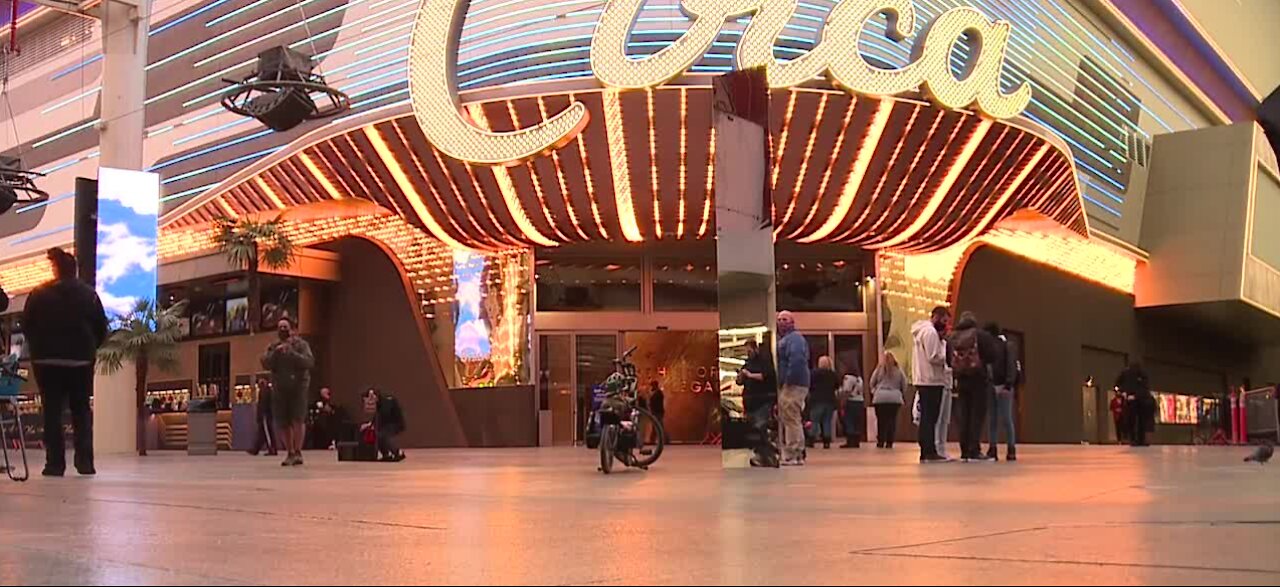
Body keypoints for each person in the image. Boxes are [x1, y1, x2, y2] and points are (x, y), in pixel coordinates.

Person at [25, 249, 108, 476]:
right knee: (81, 410)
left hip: (47, 361)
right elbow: (102, 328)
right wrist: (89, 350)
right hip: (80, 361)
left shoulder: (38, 294)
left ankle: (54, 464)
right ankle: (84, 462)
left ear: (55, 269)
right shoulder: (89, 294)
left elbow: (27, 325)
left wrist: (38, 350)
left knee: (52, 412)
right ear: (75, 271)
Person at [261, 318, 314, 466]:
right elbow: (265, 362)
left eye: (285, 327)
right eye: (280, 327)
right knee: (283, 422)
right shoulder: (273, 346)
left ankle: (298, 451)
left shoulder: (301, 345)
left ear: (292, 329)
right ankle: (289, 451)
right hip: (280, 388)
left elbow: (309, 362)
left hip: (298, 387)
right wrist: (276, 354)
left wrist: (292, 353)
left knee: (298, 419)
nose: (282, 330)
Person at [948, 311, 1000, 462]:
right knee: (977, 416)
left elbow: (947, 359)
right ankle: (974, 450)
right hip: (978, 379)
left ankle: (964, 450)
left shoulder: (953, 337)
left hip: (961, 380)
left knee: (964, 415)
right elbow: (993, 355)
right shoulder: (980, 335)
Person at [911, 306, 951, 462]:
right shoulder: (930, 333)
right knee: (930, 418)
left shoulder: (921, 332)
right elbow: (934, 356)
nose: (945, 325)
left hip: (923, 378)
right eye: (944, 321)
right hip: (932, 380)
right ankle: (929, 451)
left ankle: (926, 450)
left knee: (927, 417)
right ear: (936, 317)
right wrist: (947, 355)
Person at [775, 311, 810, 466]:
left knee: (790, 418)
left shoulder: (794, 339)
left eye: (785, 319)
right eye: (779, 319)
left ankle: (792, 453)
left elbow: (796, 360)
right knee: (792, 418)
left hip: (793, 383)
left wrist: (788, 380)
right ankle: (798, 453)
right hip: (795, 383)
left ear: (792, 322)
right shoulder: (788, 339)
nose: (781, 322)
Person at [985, 323, 1019, 462]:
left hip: (1000, 385)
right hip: (998, 385)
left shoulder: (1006, 345)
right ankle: (1001, 449)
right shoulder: (1002, 345)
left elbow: (1010, 365)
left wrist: (1009, 384)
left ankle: (1005, 448)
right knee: (1000, 418)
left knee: (1003, 419)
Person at [740, 339, 778, 467]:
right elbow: (740, 381)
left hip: (763, 400)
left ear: (755, 348)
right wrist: (741, 376)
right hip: (750, 401)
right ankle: (761, 455)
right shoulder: (747, 363)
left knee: (760, 428)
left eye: (749, 350)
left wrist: (750, 375)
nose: (748, 353)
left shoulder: (764, 362)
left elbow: (765, 376)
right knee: (754, 431)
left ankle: (767, 454)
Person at [870, 351, 907, 449]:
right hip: (894, 398)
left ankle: (880, 441)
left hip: (880, 398)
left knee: (881, 421)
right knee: (892, 420)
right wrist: (900, 393)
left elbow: (871, 382)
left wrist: (875, 391)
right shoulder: (899, 370)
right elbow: (904, 384)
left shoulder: (879, 369)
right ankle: (889, 442)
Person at [363, 387, 406, 462]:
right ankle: (386, 455)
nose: (371, 399)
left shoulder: (386, 401)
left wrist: (373, 424)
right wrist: (370, 424)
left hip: (395, 423)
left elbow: (385, 414)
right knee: (377, 435)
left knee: (383, 435)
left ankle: (397, 453)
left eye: (372, 396)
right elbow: (377, 416)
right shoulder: (379, 403)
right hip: (386, 424)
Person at [1116, 362, 1154, 447]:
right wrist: (1134, 395)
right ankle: (1139, 439)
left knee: (1132, 420)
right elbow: (1145, 387)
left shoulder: (1125, 373)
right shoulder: (1141, 373)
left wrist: (1123, 392)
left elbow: (1117, 384)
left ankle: (1134, 439)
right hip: (1140, 400)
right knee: (1140, 420)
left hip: (1133, 399)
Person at [807, 356, 838, 449]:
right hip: (830, 400)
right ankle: (826, 441)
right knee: (827, 421)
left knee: (815, 421)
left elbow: (810, 385)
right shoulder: (833, 374)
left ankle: (811, 439)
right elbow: (837, 385)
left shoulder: (814, 373)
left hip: (817, 400)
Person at [248, 378, 277, 456]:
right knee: (262, 433)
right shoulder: (265, 391)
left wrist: (261, 414)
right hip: (265, 415)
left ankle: (272, 448)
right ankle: (256, 449)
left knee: (267, 432)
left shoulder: (266, 391)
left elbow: (263, 405)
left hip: (265, 415)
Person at [839, 365, 864, 449]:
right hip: (860, 401)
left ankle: (850, 441)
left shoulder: (848, 378)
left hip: (851, 401)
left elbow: (846, 391)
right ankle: (857, 441)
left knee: (849, 421)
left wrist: (842, 403)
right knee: (857, 422)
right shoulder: (859, 379)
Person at [647, 380, 667, 444]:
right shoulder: (657, 393)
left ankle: (663, 439)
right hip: (657, 412)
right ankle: (653, 440)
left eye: (652, 386)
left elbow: (655, 403)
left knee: (658, 426)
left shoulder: (658, 393)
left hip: (657, 412)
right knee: (656, 426)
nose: (651, 387)